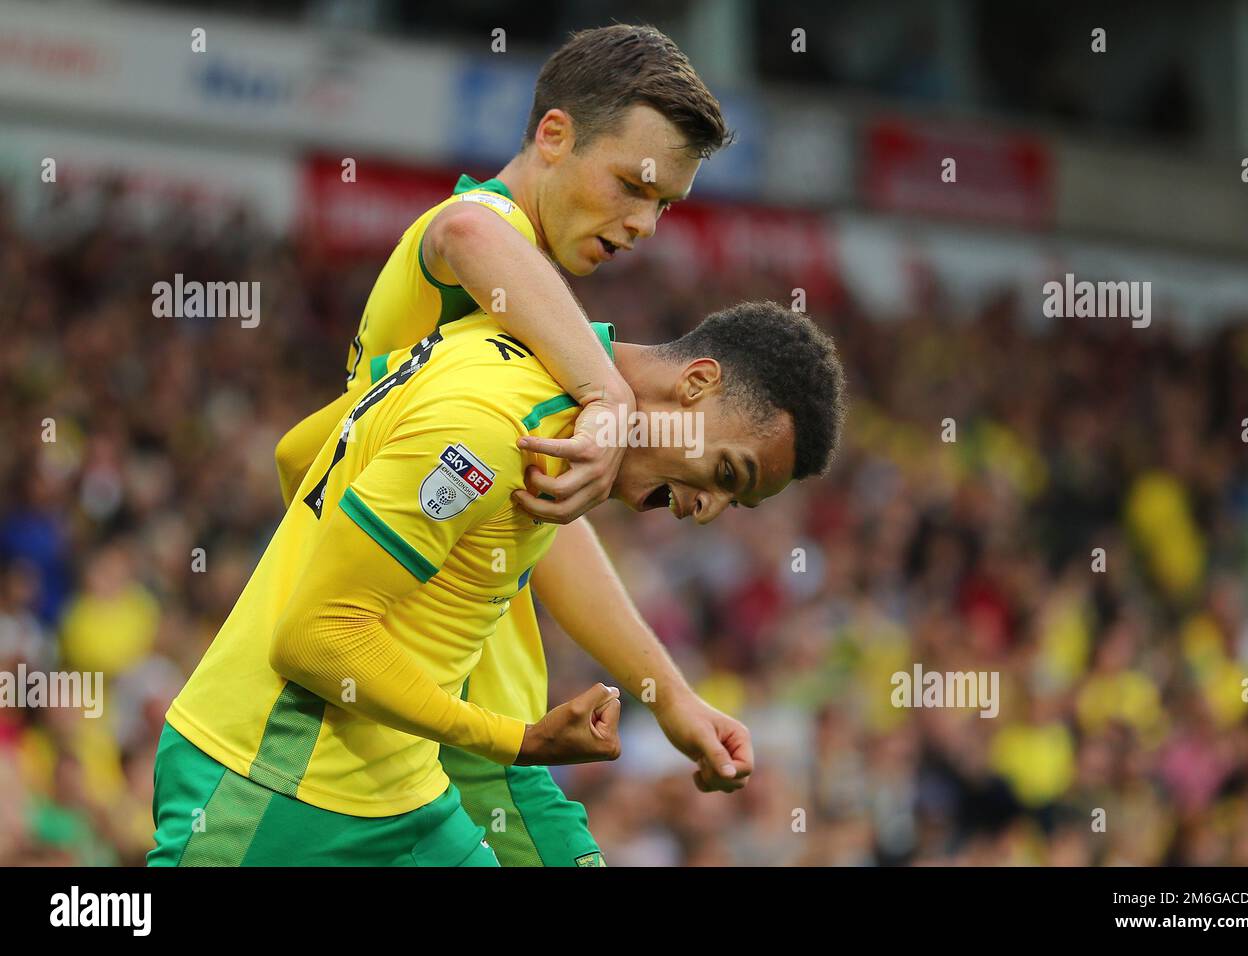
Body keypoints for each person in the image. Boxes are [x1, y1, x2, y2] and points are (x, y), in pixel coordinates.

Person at [274, 24, 759, 865]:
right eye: (633, 185)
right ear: (554, 134)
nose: (644, 224)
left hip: (449, 735)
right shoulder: (489, 245)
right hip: (454, 739)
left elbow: (303, 457)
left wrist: (671, 697)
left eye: (665, 204)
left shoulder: (532, 310)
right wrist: (606, 395)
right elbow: (461, 233)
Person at [148, 301, 846, 866]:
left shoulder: (541, 392)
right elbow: (315, 636)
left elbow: (303, 451)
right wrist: (516, 741)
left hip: (404, 790)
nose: (705, 511)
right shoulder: (492, 417)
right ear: (696, 384)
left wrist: (668, 696)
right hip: (271, 779)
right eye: (725, 475)